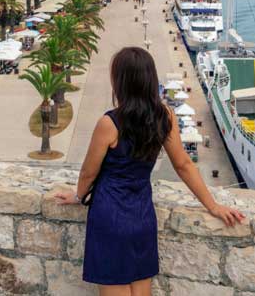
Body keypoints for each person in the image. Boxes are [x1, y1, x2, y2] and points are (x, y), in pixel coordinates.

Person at [55, 47, 244, 296]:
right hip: (142, 214)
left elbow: (89, 173)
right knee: (141, 288)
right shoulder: (164, 116)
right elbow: (183, 165)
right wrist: (213, 205)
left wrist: (78, 196)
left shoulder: (109, 123)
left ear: (119, 81)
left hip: (109, 215)